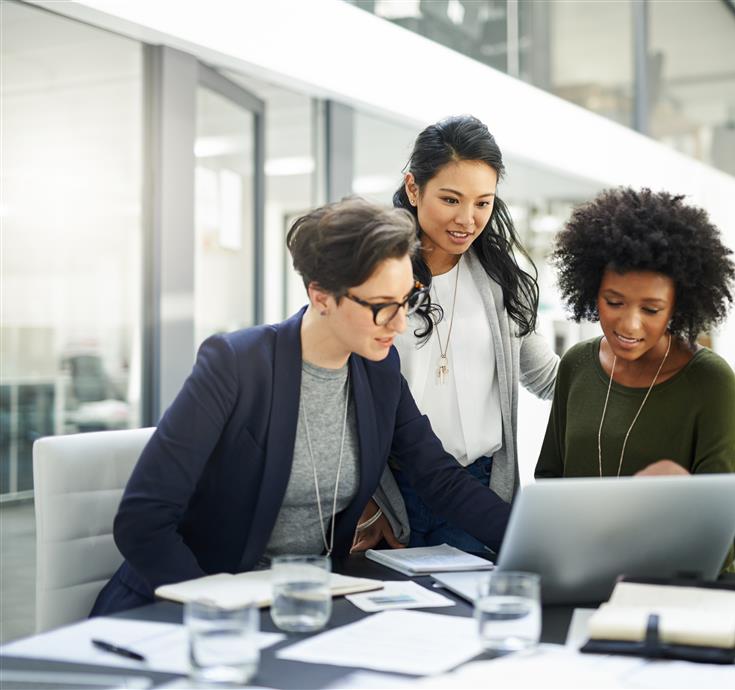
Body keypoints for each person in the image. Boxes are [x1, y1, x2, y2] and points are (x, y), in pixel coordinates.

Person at [90, 198, 512, 616]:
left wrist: (528, 537)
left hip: (303, 604)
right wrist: (219, 612)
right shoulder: (236, 365)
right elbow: (142, 521)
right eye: (383, 307)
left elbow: (438, 477)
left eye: (407, 302)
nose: (400, 324)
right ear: (322, 295)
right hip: (192, 608)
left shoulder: (377, 372)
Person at [352, 116, 559, 553]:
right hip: (393, 495)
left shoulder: (503, 281)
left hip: (481, 491)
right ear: (413, 189)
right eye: (450, 199)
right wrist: (367, 500)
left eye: (483, 203)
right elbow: (343, 395)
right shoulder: (374, 277)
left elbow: (547, 377)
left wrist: (632, 366)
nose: (467, 219)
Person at [535, 187, 735, 568]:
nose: (629, 324)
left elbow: (722, 543)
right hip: (579, 574)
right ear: (590, 290)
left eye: (651, 308)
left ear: (678, 307)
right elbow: (549, 486)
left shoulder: (711, 383)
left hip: (671, 586)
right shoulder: (576, 365)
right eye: (613, 302)